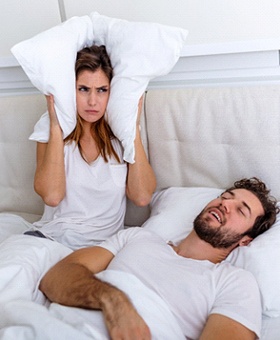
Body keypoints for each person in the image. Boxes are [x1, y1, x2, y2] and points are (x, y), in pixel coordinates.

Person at [40, 177, 279, 340]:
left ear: (245, 240)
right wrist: (111, 300)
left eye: (241, 209)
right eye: (226, 197)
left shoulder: (235, 282)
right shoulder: (138, 237)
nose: (226, 204)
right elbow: (55, 278)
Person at [26, 45, 156, 250]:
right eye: (83, 89)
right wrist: (55, 128)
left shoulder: (121, 137)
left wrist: (133, 128)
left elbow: (142, 197)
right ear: (70, 90)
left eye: (102, 90)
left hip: (103, 249)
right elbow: (52, 196)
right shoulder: (50, 131)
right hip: (50, 240)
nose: (92, 101)